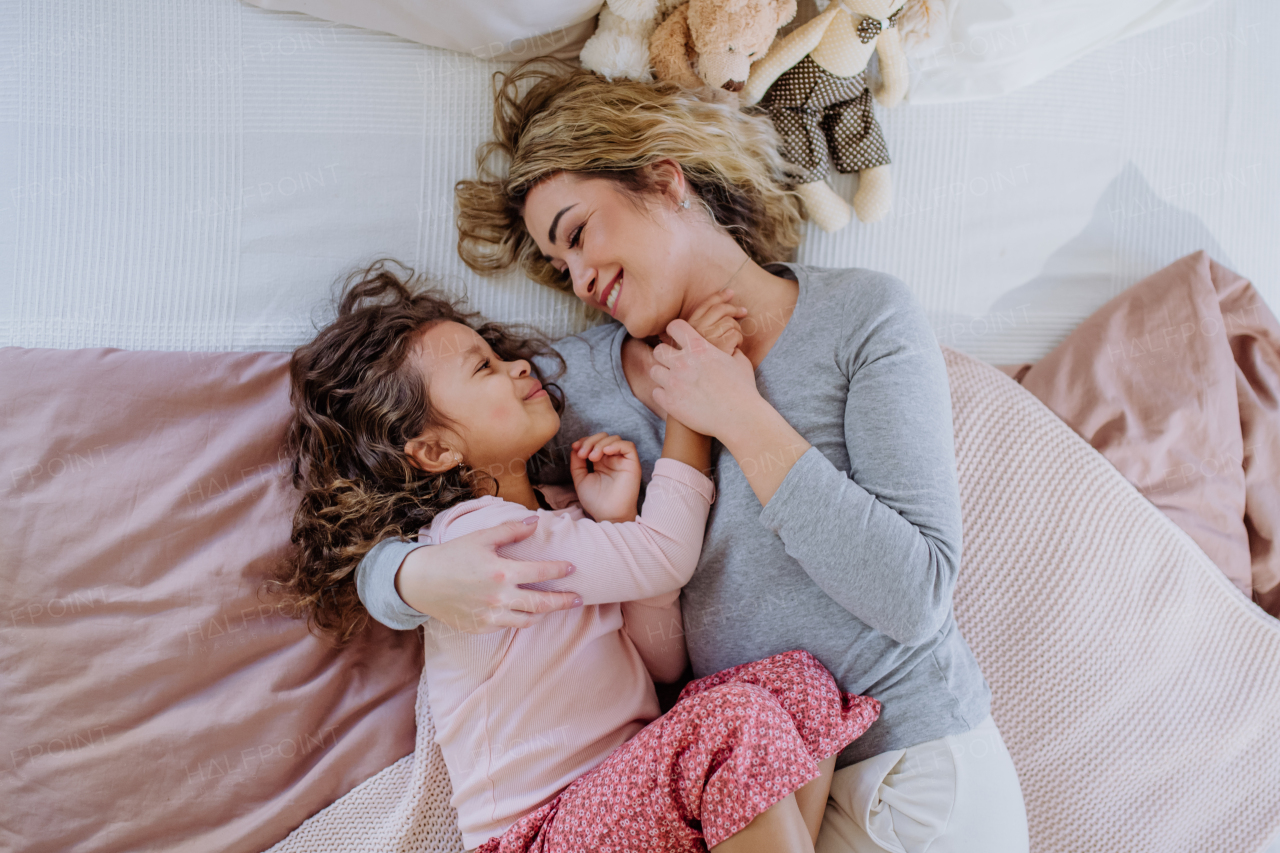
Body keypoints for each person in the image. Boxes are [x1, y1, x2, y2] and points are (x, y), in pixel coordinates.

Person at [357, 60, 1031, 853]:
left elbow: (915, 595)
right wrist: (407, 578)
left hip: (909, 769)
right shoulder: (568, 390)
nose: (578, 277)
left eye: (577, 233)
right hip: (724, 801)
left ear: (664, 180)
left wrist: (737, 415)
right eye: (557, 266)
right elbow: (423, 468)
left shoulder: (862, 317)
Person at [276, 268, 883, 852]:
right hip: (541, 832)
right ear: (435, 449)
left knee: (799, 687)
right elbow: (665, 554)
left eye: (498, 352)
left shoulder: (560, 515)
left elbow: (659, 661)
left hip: (624, 799)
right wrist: (689, 411)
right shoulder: (480, 536)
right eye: (483, 367)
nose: (516, 365)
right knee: (735, 722)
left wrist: (616, 526)